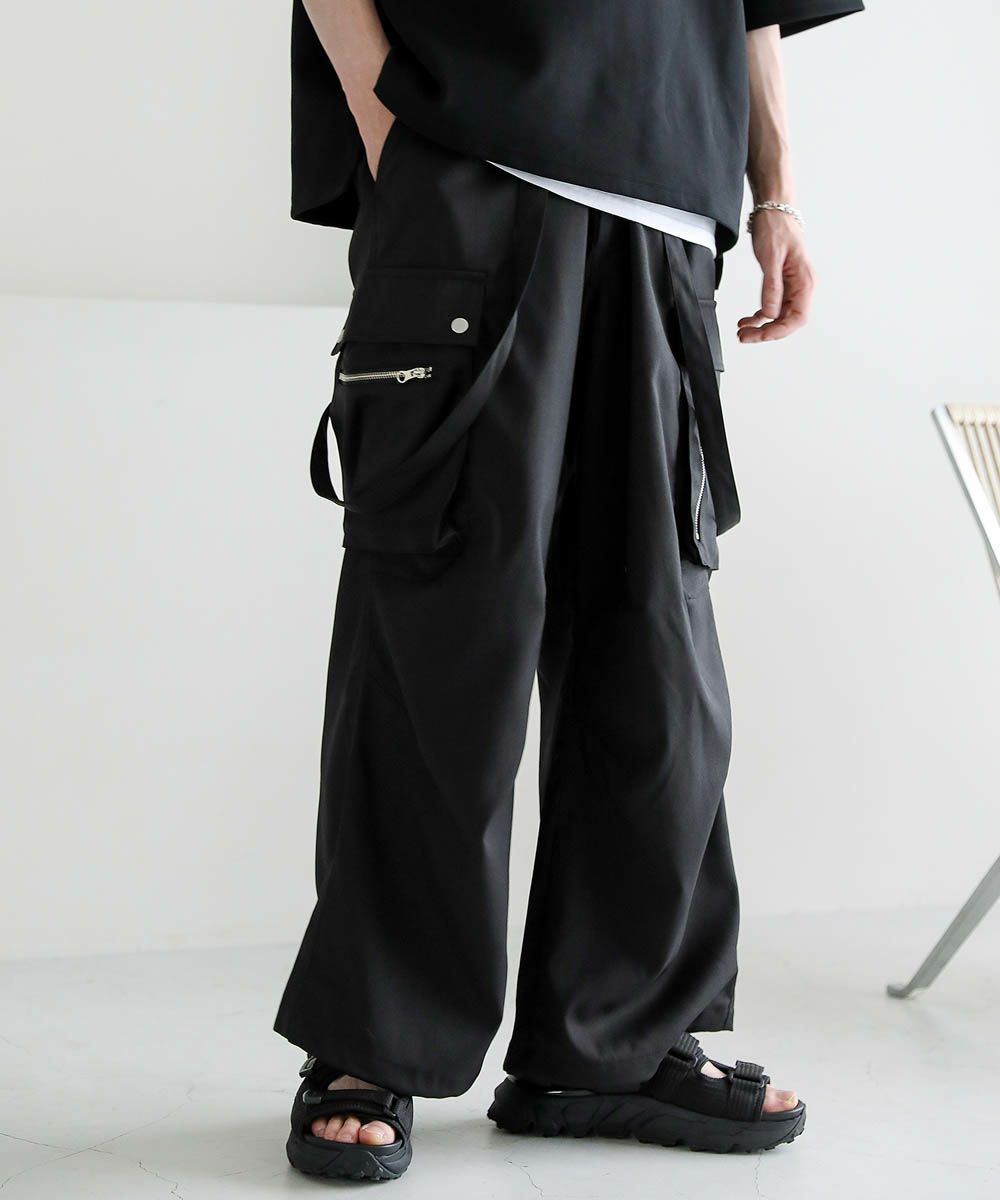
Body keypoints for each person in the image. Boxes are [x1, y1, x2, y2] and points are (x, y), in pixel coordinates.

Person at [275, 0, 865, 1181]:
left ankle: (613, 1043)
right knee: (444, 630)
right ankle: (374, 1040)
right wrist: (389, 119)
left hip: (670, 207)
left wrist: (777, 196)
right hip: (471, 163)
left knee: (657, 649)